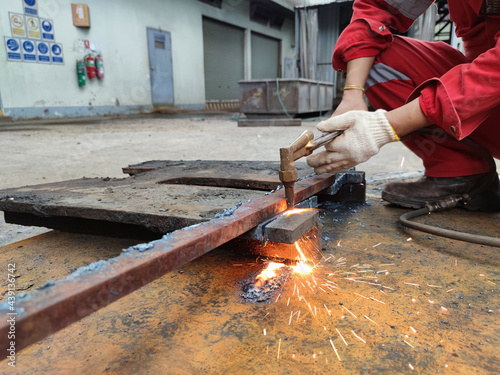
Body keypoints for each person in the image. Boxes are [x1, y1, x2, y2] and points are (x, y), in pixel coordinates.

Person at [306, 0, 500, 210]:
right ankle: (461, 171)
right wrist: (353, 93)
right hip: (481, 110)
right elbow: (375, 7)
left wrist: (384, 127)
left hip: (489, 88)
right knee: (374, 54)